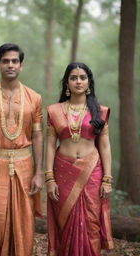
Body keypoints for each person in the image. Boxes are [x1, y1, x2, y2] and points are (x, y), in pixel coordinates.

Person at [46, 62, 114, 256]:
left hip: (92, 170)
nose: (78, 81)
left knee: (91, 222)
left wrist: (107, 179)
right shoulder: (54, 111)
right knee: (65, 222)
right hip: (62, 171)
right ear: (67, 83)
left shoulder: (99, 112)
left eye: (82, 77)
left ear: (89, 82)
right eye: (73, 77)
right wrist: (49, 178)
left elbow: (105, 145)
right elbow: (50, 145)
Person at [0, 43, 43, 256]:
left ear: (21, 65)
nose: (10, 65)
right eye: (5, 61)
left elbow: (37, 135)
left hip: (25, 165)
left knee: (24, 220)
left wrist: (39, 173)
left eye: (14, 61)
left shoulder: (34, 97)